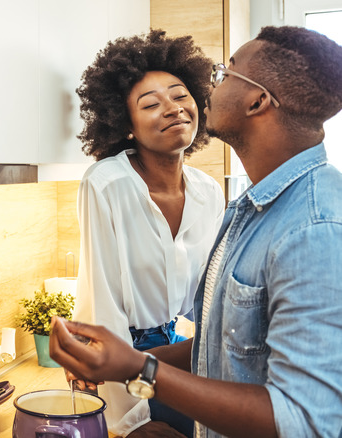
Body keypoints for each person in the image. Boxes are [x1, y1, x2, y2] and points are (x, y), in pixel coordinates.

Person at [51, 25, 342, 438]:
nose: (208, 86)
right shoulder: (252, 208)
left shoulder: (315, 229)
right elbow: (230, 340)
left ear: (257, 100)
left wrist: (139, 367)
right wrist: (121, 363)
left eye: (226, 73)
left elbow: (307, 422)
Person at [73, 29, 225, 436]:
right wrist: (131, 420)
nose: (173, 109)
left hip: (184, 359)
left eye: (180, 95)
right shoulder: (105, 185)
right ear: (126, 124)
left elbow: (210, 296)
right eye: (151, 104)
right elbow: (99, 302)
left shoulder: (210, 193)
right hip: (121, 363)